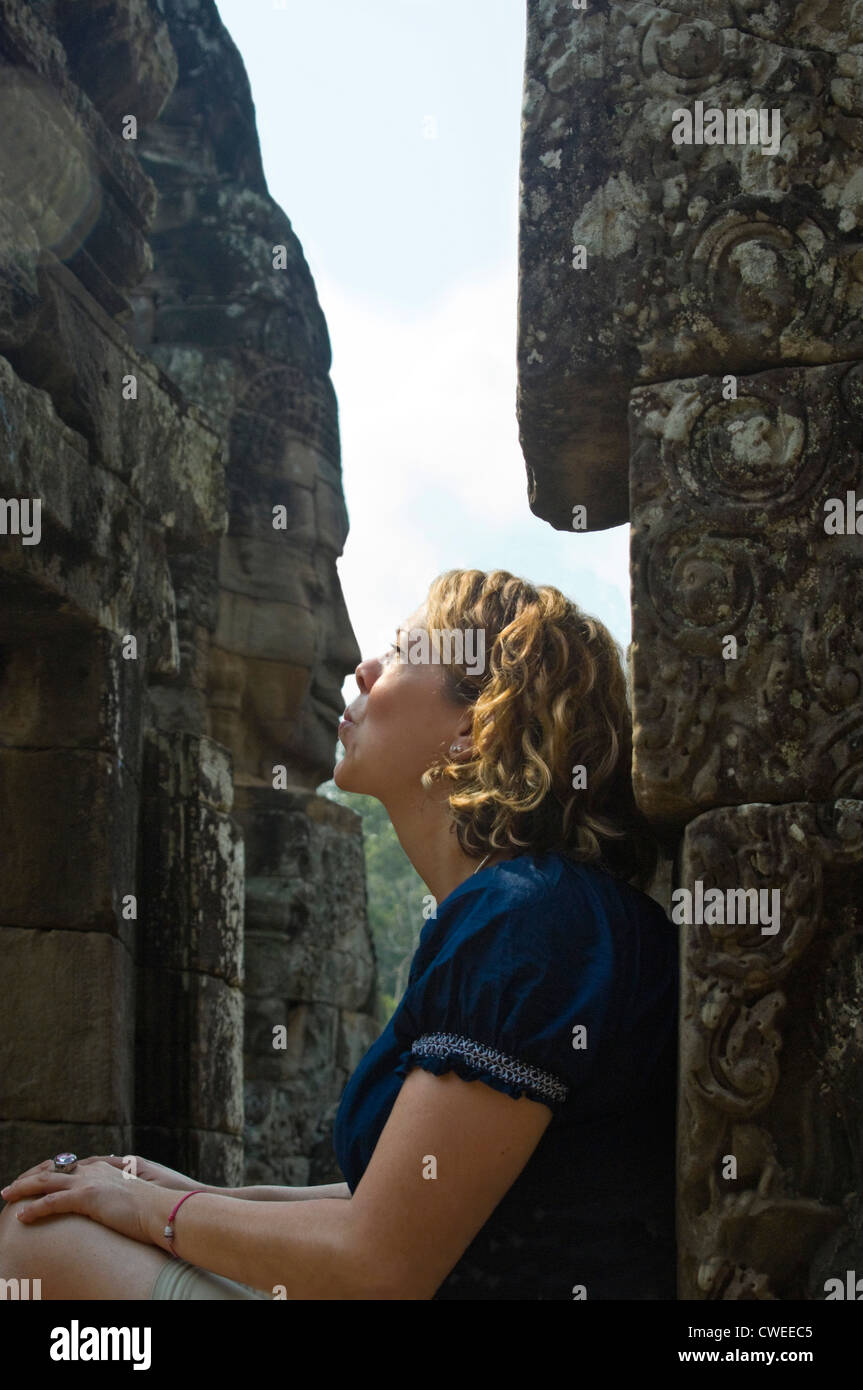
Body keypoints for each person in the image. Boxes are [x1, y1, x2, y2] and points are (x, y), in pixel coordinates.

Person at [0, 568, 677, 1300]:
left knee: (42, 1242)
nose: (364, 667)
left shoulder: (527, 919)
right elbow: (393, 1207)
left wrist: (150, 1209)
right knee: (71, 1215)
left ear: (473, 725)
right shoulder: (537, 908)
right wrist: (175, 1191)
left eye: (405, 652)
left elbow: (376, 1263)